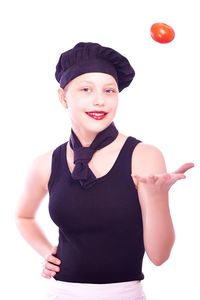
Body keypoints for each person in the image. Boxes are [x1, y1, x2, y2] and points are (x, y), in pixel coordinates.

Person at [15, 42, 194, 300]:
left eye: (109, 91)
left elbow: (159, 256)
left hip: (125, 294)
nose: (100, 100)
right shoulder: (45, 163)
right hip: (60, 293)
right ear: (63, 97)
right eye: (86, 89)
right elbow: (23, 217)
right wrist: (46, 252)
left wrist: (157, 197)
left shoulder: (143, 156)